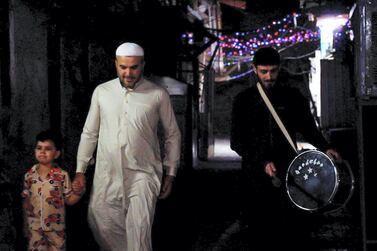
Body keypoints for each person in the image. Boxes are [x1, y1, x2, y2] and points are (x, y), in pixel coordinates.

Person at [72, 42, 181, 251]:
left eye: (134, 67)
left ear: (142, 65)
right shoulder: (102, 92)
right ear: (116, 65)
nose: (128, 73)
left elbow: (172, 134)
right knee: (100, 222)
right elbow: (90, 133)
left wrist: (171, 172)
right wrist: (80, 170)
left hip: (144, 173)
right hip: (107, 173)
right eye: (123, 67)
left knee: (139, 229)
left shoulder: (158, 94)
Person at [230, 46, 341, 250]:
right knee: (258, 230)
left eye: (273, 71)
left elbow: (308, 128)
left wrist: (326, 147)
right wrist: (262, 161)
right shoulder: (243, 100)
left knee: (289, 229)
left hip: (290, 171)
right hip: (254, 176)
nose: (269, 76)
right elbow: (237, 141)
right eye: (264, 71)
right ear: (254, 69)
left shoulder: (292, 96)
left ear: (279, 69)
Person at [22, 129, 82, 251]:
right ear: (35, 151)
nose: (42, 152)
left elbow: (69, 200)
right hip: (35, 229)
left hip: (56, 229)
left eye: (48, 149)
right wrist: (25, 226)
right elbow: (26, 202)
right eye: (39, 148)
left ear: (56, 154)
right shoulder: (29, 176)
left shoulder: (62, 175)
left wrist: (79, 192)